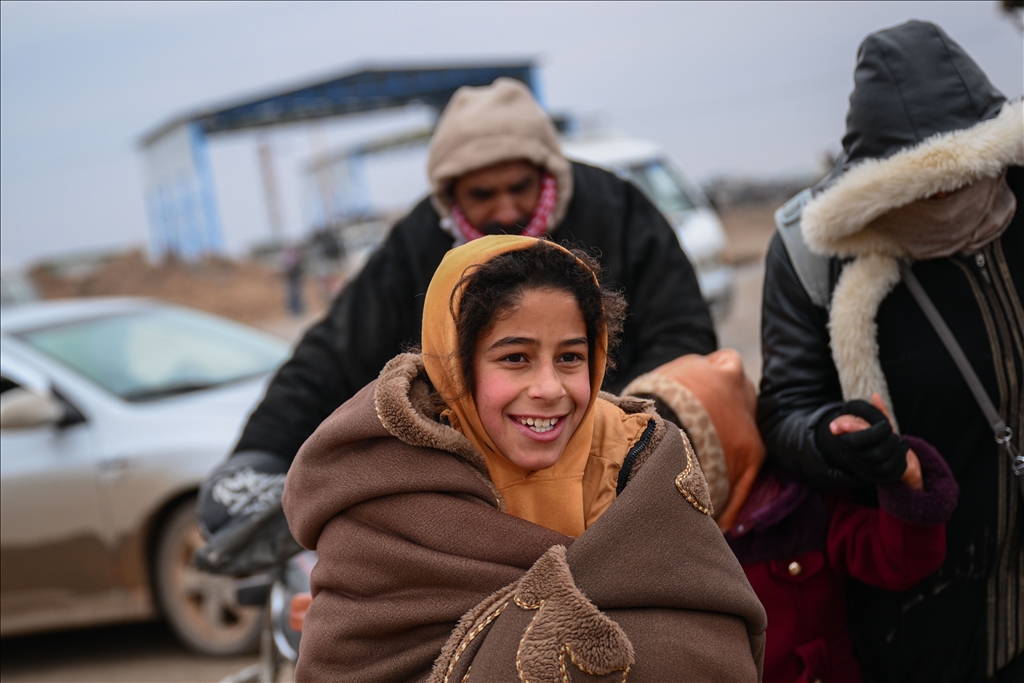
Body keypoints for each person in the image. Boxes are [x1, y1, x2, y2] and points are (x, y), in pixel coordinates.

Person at [198, 77, 716, 545]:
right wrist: (259, 453)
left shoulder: (620, 212)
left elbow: (684, 337)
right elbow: (335, 352)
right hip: (478, 497)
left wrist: (620, 443)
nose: (506, 210)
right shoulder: (416, 244)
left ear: (548, 173)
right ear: (450, 199)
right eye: (483, 195)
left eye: (520, 188)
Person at [282, 236, 766, 682]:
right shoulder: (387, 492)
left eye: (571, 358)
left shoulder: (641, 460)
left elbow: (712, 639)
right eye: (515, 358)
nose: (549, 389)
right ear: (456, 365)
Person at [757, 20, 1023, 682]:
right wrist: (832, 441)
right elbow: (786, 407)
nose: (943, 202)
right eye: (918, 188)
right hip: (917, 620)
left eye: (960, 178)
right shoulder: (811, 250)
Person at [627, 352, 959, 682]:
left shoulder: (797, 510)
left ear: (719, 452)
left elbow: (898, 561)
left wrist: (904, 480)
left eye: (672, 466)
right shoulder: (645, 546)